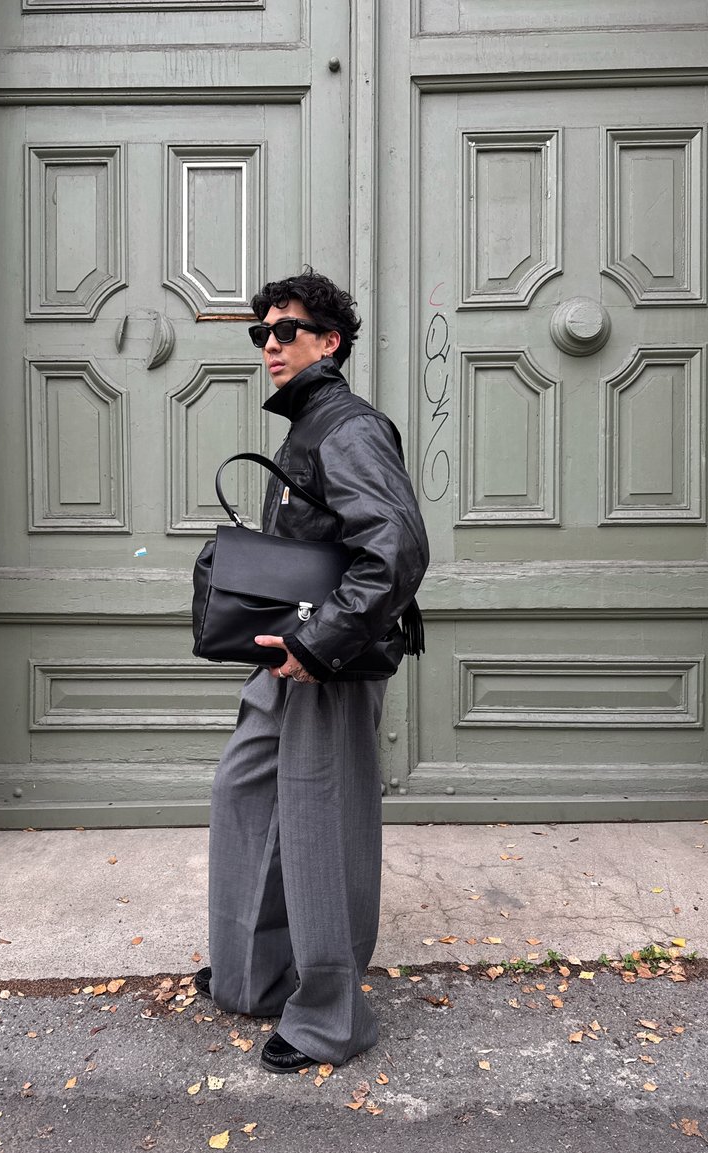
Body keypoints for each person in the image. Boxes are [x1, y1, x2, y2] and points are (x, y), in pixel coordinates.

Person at [195, 268, 429, 1073]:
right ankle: (254, 973)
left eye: (285, 330)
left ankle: (330, 1016)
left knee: (320, 827)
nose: (269, 345)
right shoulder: (311, 421)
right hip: (287, 653)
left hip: (326, 660)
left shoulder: (348, 426)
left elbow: (395, 548)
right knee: (244, 789)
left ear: (329, 341)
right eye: (260, 333)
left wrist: (320, 642)